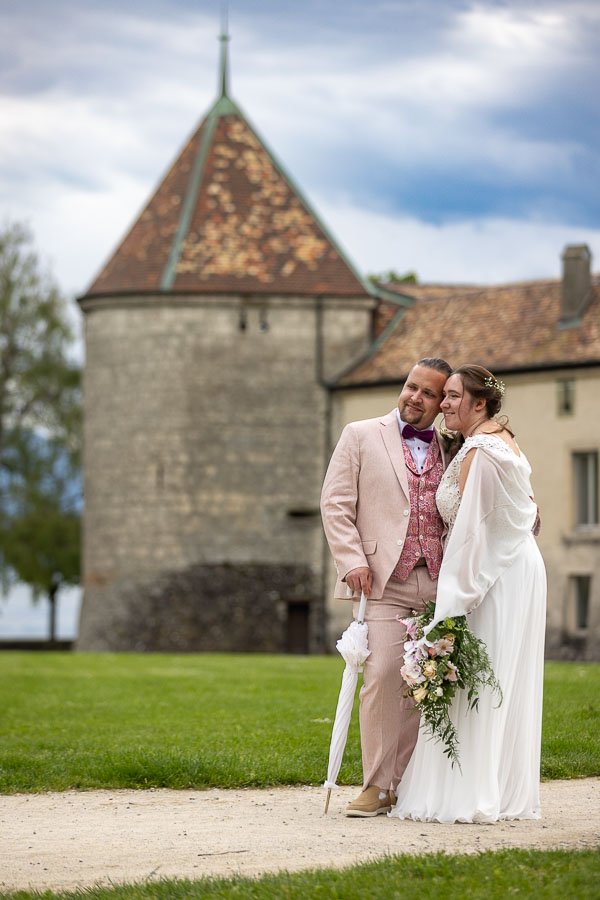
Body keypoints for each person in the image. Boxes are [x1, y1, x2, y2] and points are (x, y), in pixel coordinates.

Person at [390, 365, 547, 824]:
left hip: (495, 573)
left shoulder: (482, 449)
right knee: (495, 675)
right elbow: (520, 509)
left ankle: (471, 792)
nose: (444, 404)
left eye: (454, 396)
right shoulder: (501, 441)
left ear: (481, 403)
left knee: (479, 677)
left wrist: (451, 604)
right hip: (516, 566)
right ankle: (495, 788)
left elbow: (473, 535)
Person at [320, 357, 452, 817]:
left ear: (441, 403)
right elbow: (335, 503)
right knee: (379, 678)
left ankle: (404, 783)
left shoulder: (452, 447)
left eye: (427, 393)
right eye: (410, 387)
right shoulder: (360, 434)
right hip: (382, 580)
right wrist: (351, 559)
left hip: (438, 582)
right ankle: (375, 785)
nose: (415, 397)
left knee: (423, 684)